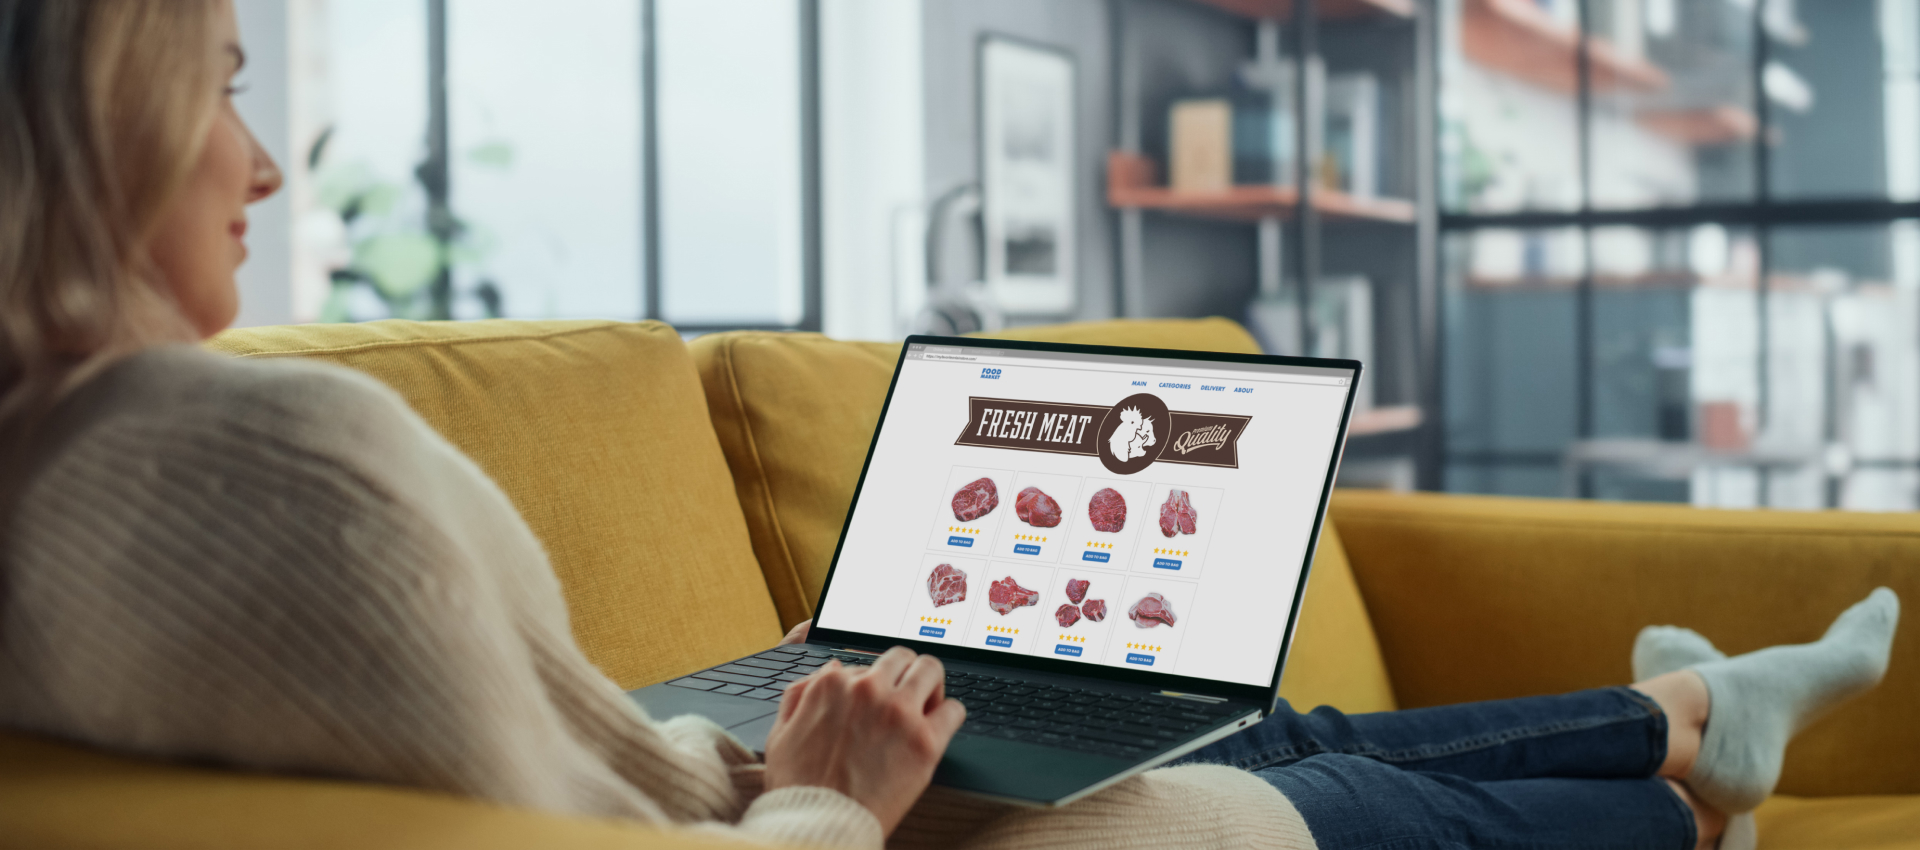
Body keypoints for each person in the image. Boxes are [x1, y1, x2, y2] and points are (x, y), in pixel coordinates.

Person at [0, 2, 1900, 849]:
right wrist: (825, 784)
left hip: (761, 775)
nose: (256, 157)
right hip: (810, 818)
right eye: (216, 82)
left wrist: (780, 737)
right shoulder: (256, 464)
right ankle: (1683, 794)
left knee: (1256, 714)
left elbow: (530, 754)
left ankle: (1692, 711)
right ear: (85, 106)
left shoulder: (67, 465)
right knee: (1321, 797)